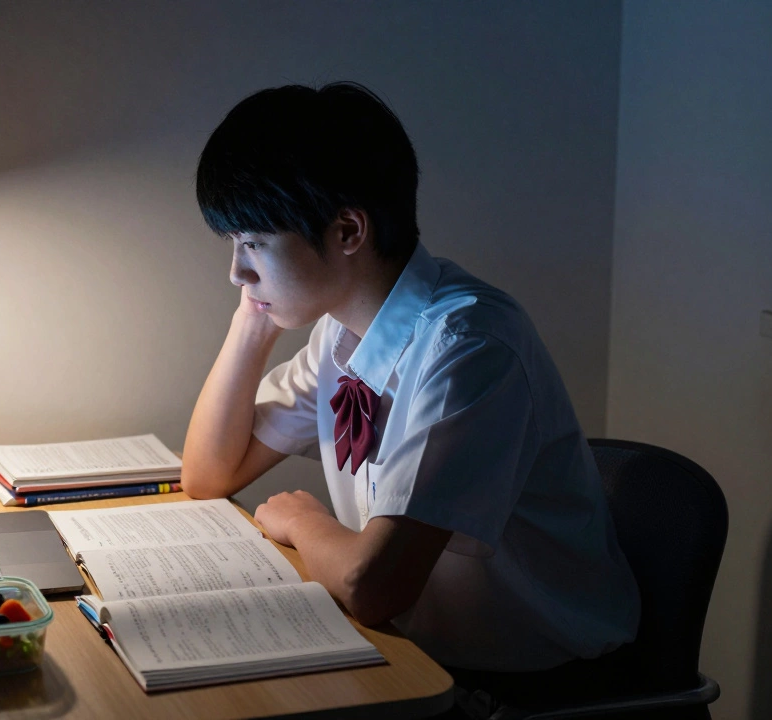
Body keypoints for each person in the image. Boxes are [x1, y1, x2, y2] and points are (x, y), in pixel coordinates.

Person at [181, 82, 641, 709]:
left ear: (347, 230)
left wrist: (303, 517)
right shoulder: (341, 333)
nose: (237, 271)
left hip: (531, 686)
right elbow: (209, 474)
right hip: (411, 651)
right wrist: (252, 321)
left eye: (254, 244)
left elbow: (374, 586)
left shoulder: (471, 347)